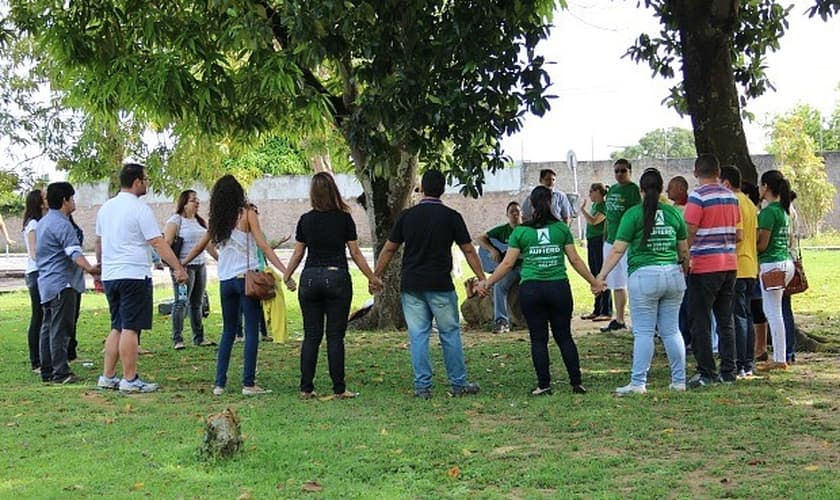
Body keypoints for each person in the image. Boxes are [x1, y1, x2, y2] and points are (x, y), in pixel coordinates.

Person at [373, 170, 485, 399]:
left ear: (421, 188)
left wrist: (376, 275)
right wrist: (481, 276)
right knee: (450, 333)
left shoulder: (407, 216)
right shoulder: (451, 216)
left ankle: (422, 386)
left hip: (412, 285)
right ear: (443, 190)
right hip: (440, 284)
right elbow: (469, 250)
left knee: (418, 336)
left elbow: (389, 248)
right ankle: (458, 383)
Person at [478, 186, 599, 395]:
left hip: (532, 290)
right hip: (558, 288)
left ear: (531, 205)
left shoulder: (521, 232)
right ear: (552, 203)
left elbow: (507, 264)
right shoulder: (561, 229)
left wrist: (486, 283)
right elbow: (575, 260)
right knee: (564, 337)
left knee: (538, 338)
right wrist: (594, 281)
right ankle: (576, 382)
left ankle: (544, 385)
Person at [182, 174, 292, 396]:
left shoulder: (218, 221)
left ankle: (219, 384)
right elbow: (263, 245)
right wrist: (286, 272)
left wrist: (179, 265)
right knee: (251, 331)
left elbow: (199, 247)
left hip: (226, 281)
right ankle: (248, 383)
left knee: (228, 331)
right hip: (246, 279)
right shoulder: (247, 213)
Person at [283, 173, 383, 399]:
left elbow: (298, 252)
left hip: (309, 278)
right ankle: (339, 388)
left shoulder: (305, 220)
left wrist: (287, 275)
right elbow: (355, 253)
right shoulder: (344, 219)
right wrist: (372, 276)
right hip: (336, 277)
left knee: (311, 336)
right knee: (335, 336)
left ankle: (306, 388)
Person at [96, 163, 187, 394]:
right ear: (137, 181)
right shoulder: (139, 208)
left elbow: (99, 241)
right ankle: (130, 378)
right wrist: (177, 267)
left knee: (117, 325)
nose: (147, 183)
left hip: (111, 274)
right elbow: (157, 241)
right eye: (145, 179)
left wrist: (100, 268)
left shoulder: (106, 208)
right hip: (133, 274)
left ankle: (107, 376)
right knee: (131, 327)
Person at [598, 169, 690, 394]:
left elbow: (618, 249)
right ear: (661, 190)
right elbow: (684, 250)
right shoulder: (674, 213)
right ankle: (679, 381)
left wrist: (601, 276)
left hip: (644, 277)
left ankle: (638, 382)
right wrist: (684, 272)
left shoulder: (633, 214)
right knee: (671, 331)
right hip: (673, 275)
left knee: (644, 332)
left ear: (640, 190)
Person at [683, 154, 741, 388]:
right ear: (718, 172)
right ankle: (729, 370)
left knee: (700, 320)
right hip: (729, 263)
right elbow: (737, 233)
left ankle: (707, 371)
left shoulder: (697, 197)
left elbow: (690, 231)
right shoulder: (731, 197)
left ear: (696, 173)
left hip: (704, 265)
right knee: (725, 319)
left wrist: (684, 257)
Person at [35, 182, 99, 384]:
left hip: (47, 282)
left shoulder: (44, 222)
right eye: (72, 197)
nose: (74, 202)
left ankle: (48, 370)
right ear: (65, 200)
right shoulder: (63, 224)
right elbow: (73, 252)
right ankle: (60, 372)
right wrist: (90, 268)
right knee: (61, 330)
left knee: (47, 327)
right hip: (63, 284)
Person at [163, 189, 216, 350]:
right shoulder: (176, 221)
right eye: (193, 200)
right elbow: (167, 244)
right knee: (181, 302)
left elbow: (207, 245)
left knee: (197, 303)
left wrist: (220, 259)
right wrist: (177, 268)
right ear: (184, 204)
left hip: (200, 265)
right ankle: (177, 338)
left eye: (197, 200)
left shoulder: (200, 222)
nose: (197, 202)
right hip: (183, 267)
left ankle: (199, 337)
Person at [720, 166, 758, 378]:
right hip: (751, 265)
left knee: (738, 317)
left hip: (739, 266)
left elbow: (739, 235)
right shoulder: (750, 203)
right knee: (747, 315)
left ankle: (742, 363)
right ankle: (748, 362)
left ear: (726, 183)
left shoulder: (733, 201)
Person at [755, 170, 794, 371]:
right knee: (775, 310)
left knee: (772, 311)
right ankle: (781, 355)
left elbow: (762, 245)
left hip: (772, 265)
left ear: (766, 187)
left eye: (761, 185)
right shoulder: (784, 210)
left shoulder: (768, 213)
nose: (759, 189)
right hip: (785, 263)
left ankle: (779, 358)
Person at [601, 158, 641, 332]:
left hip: (627, 242)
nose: (619, 174)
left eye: (623, 171)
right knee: (616, 283)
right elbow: (608, 215)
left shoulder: (633, 190)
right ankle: (618, 319)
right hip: (611, 241)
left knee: (632, 282)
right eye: (616, 170)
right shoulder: (613, 189)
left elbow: (636, 215)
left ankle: (637, 319)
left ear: (629, 171)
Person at [475, 201, 523, 333]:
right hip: (508, 269)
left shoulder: (527, 229)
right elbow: (479, 239)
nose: (514, 214)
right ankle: (502, 321)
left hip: (526, 266)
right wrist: (492, 250)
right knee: (499, 286)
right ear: (507, 214)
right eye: (512, 211)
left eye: (517, 211)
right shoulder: (502, 230)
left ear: (521, 213)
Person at [22, 190, 47, 373]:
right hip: (36, 274)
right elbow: (34, 253)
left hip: (41, 273)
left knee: (44, 315)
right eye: (45, 198)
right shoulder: (33, 225)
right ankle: (36, 361)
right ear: (39, 203)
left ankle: (44, 356)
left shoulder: (42, 222)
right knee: (38, 315)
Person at [580, 183, 612, 322]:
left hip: (600, 241)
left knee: (601, 274)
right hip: (592, 241)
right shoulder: (594, 206)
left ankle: (606, 310)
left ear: (598, 192)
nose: (589, 194)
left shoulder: (603, 206)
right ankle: (597, 308)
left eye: (591, 191)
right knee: (594, 274)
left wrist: (582, 210)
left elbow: (594, 221)